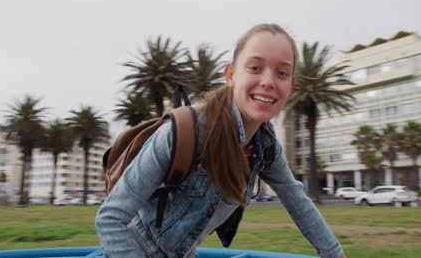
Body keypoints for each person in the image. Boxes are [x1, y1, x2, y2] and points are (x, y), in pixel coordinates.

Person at [95, 23, 346, 258]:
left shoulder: (266, 148)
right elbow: (110, 218)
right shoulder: (186, 132)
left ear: (290, 85)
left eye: (281, 73)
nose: (268, 81)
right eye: (255, 68)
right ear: (230, 74)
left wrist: (335, 253)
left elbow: (298, 202)